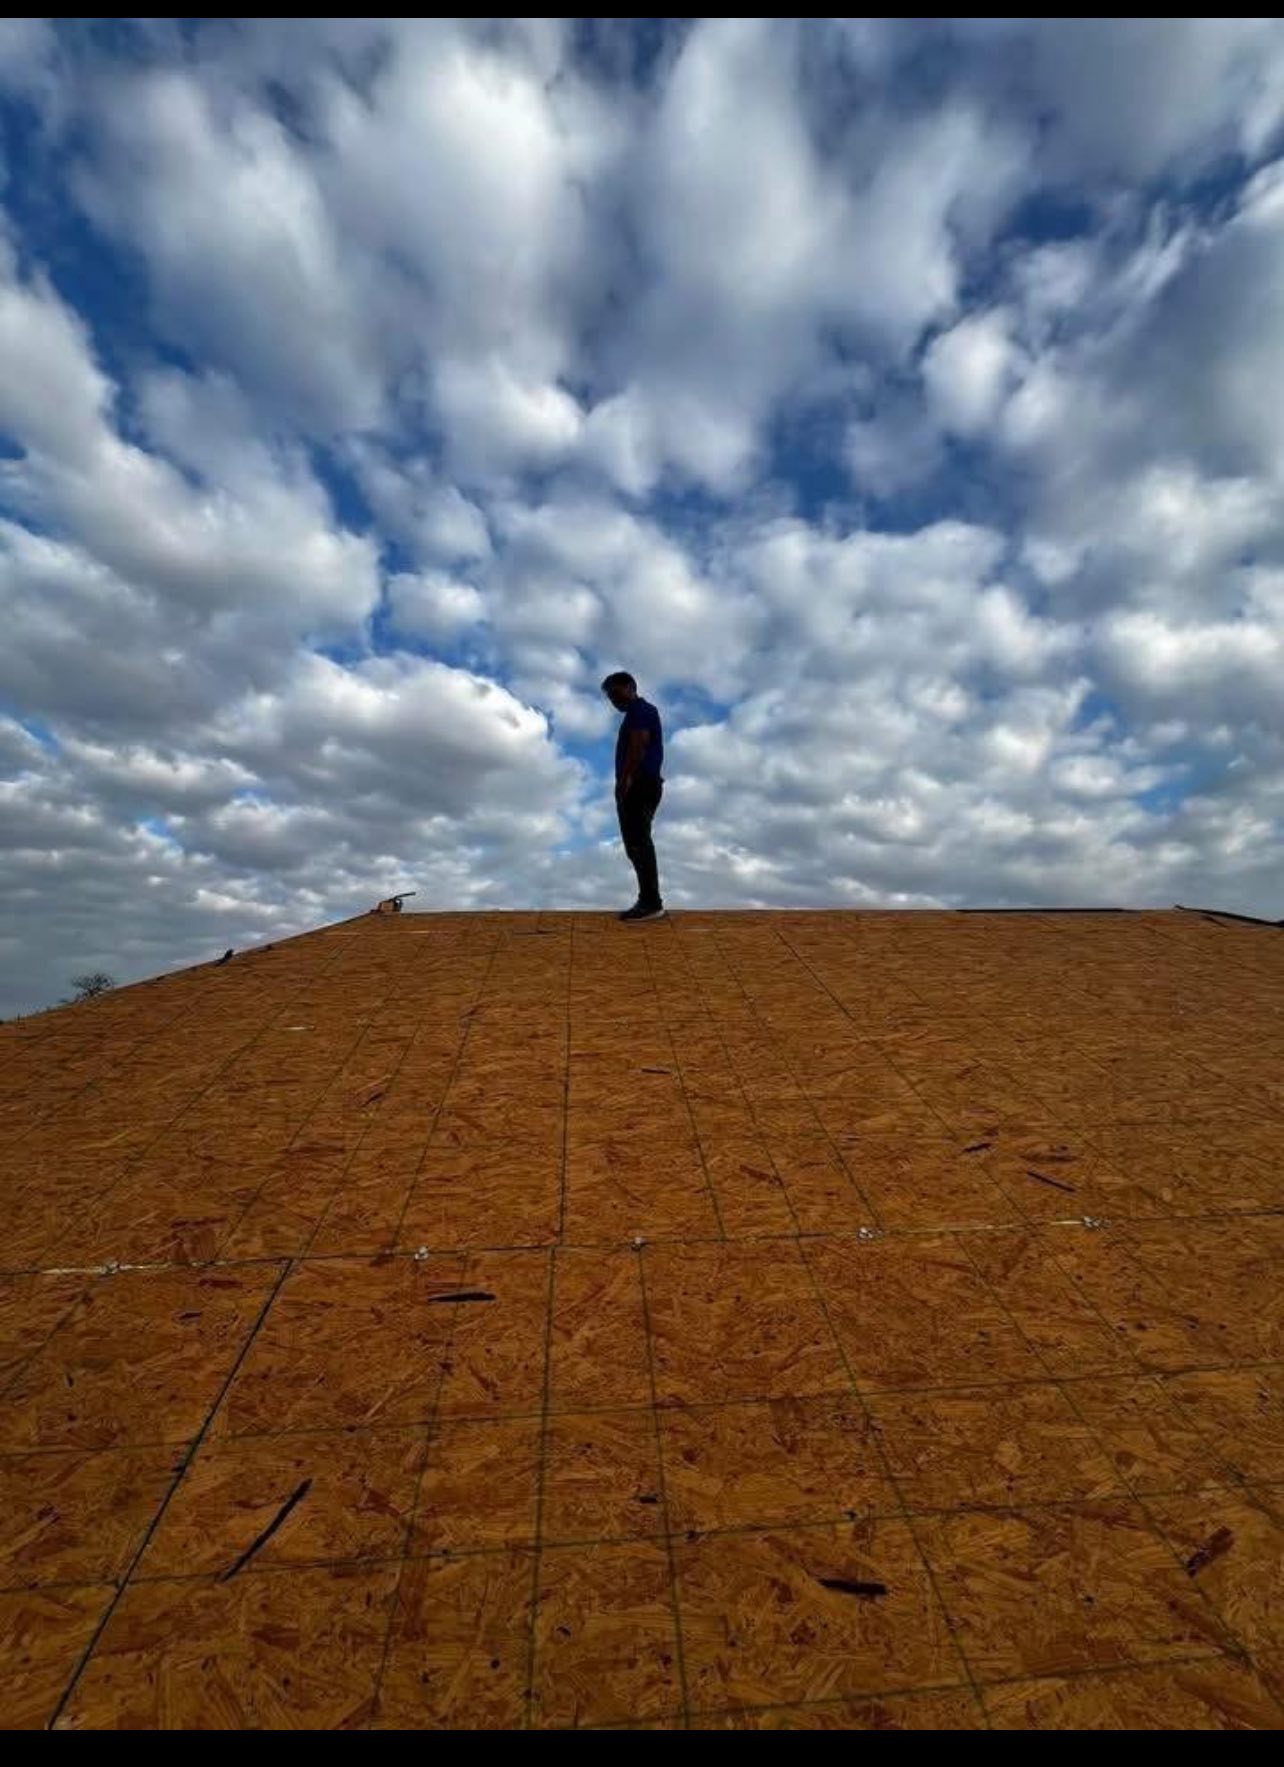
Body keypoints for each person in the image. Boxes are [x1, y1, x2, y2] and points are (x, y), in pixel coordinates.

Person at [601, 670, 666, 921]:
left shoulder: (640, 711)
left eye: (616, 694)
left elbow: (639, 745)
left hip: (640, 784)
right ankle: (648, 900)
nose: (614, 701)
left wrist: (625, 780)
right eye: (610, 698)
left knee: (639, 842)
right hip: (642, 784)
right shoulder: (636, 714)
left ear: (630, 687)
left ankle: (651, 903)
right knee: (635, 844)